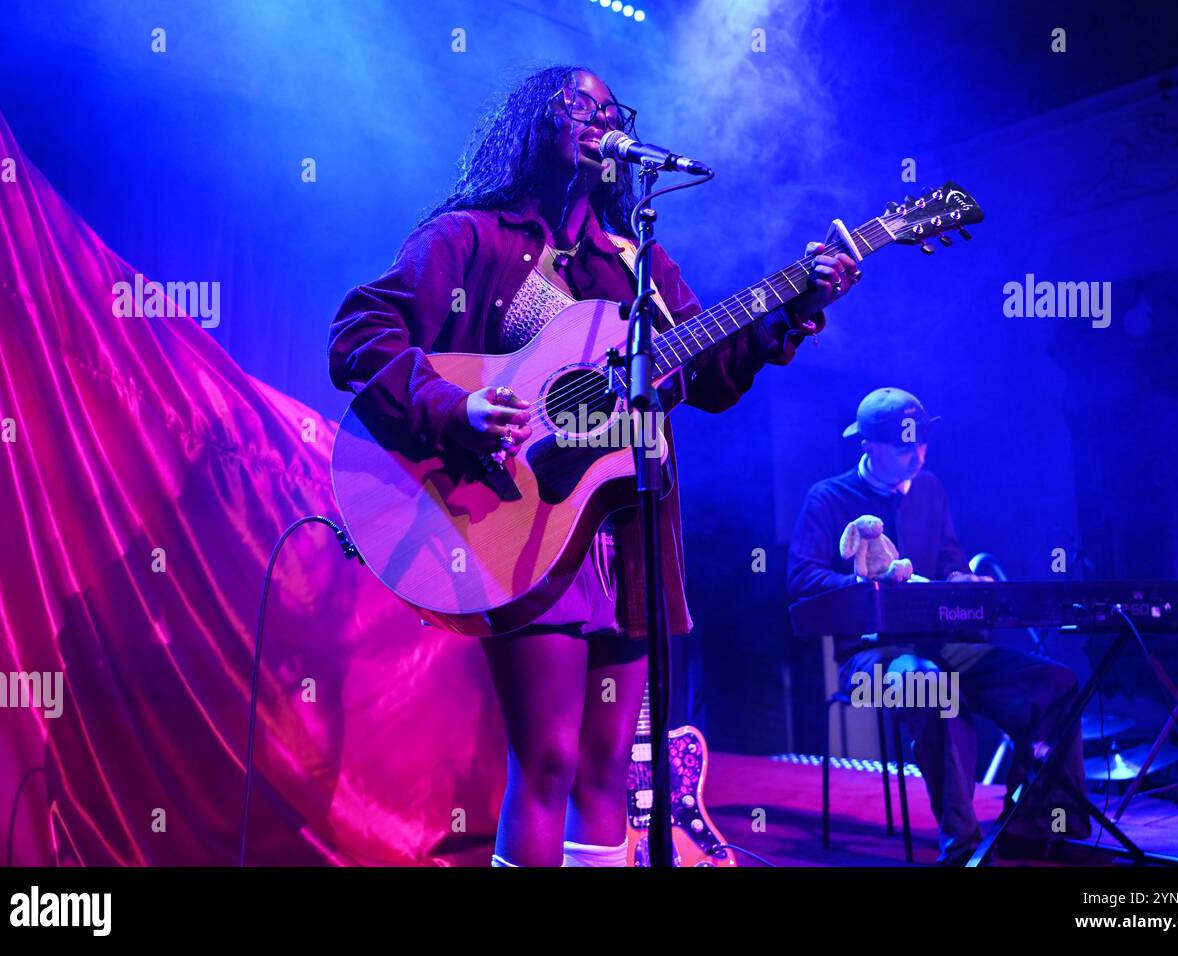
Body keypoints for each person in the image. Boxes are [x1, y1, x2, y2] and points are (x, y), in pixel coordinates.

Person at [329, 65, 858, 867]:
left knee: (610, 768)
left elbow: (709, 373)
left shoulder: (633, 259)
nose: (597, 115)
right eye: (577, 102)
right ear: (532, 124)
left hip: (631, 536)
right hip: (524, 523)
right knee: (547, 761)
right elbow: (363, 332)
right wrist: (456, 407)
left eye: (610, 107)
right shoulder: (472, 237)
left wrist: (800, 302)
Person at [787, 387, 1091, 865]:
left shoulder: (930, 489)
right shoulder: (828, 499)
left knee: (1054, 684)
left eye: (922, 442)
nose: (918, 454)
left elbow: (949, 559)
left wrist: (961, 578)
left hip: (943, 645)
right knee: (930, 687)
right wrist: (864, 580)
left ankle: (1036, 823)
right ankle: (965, 849)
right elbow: (802, 579)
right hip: (869, 662)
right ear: (868, 445)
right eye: (905, 446)